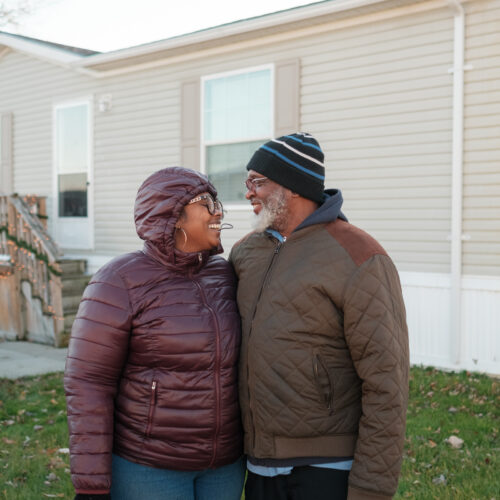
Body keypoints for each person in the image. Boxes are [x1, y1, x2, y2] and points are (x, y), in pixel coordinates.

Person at [229, 133, 409, 500]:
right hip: (257, 464)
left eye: (257, 182)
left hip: (327, 468)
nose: (248, 193)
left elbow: (386, 381)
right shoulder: (245, 252)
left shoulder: (359, 255)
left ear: (292, 187)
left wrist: (372, 488)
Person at [64, 167, 245, 500]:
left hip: (224, 466)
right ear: (171, 214)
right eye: (207, 204)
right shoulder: (118, 281)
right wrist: (91, 482)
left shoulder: (225, 275)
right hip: (150, 467)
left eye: (218, 203)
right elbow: (89, 382)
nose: (218, 212)